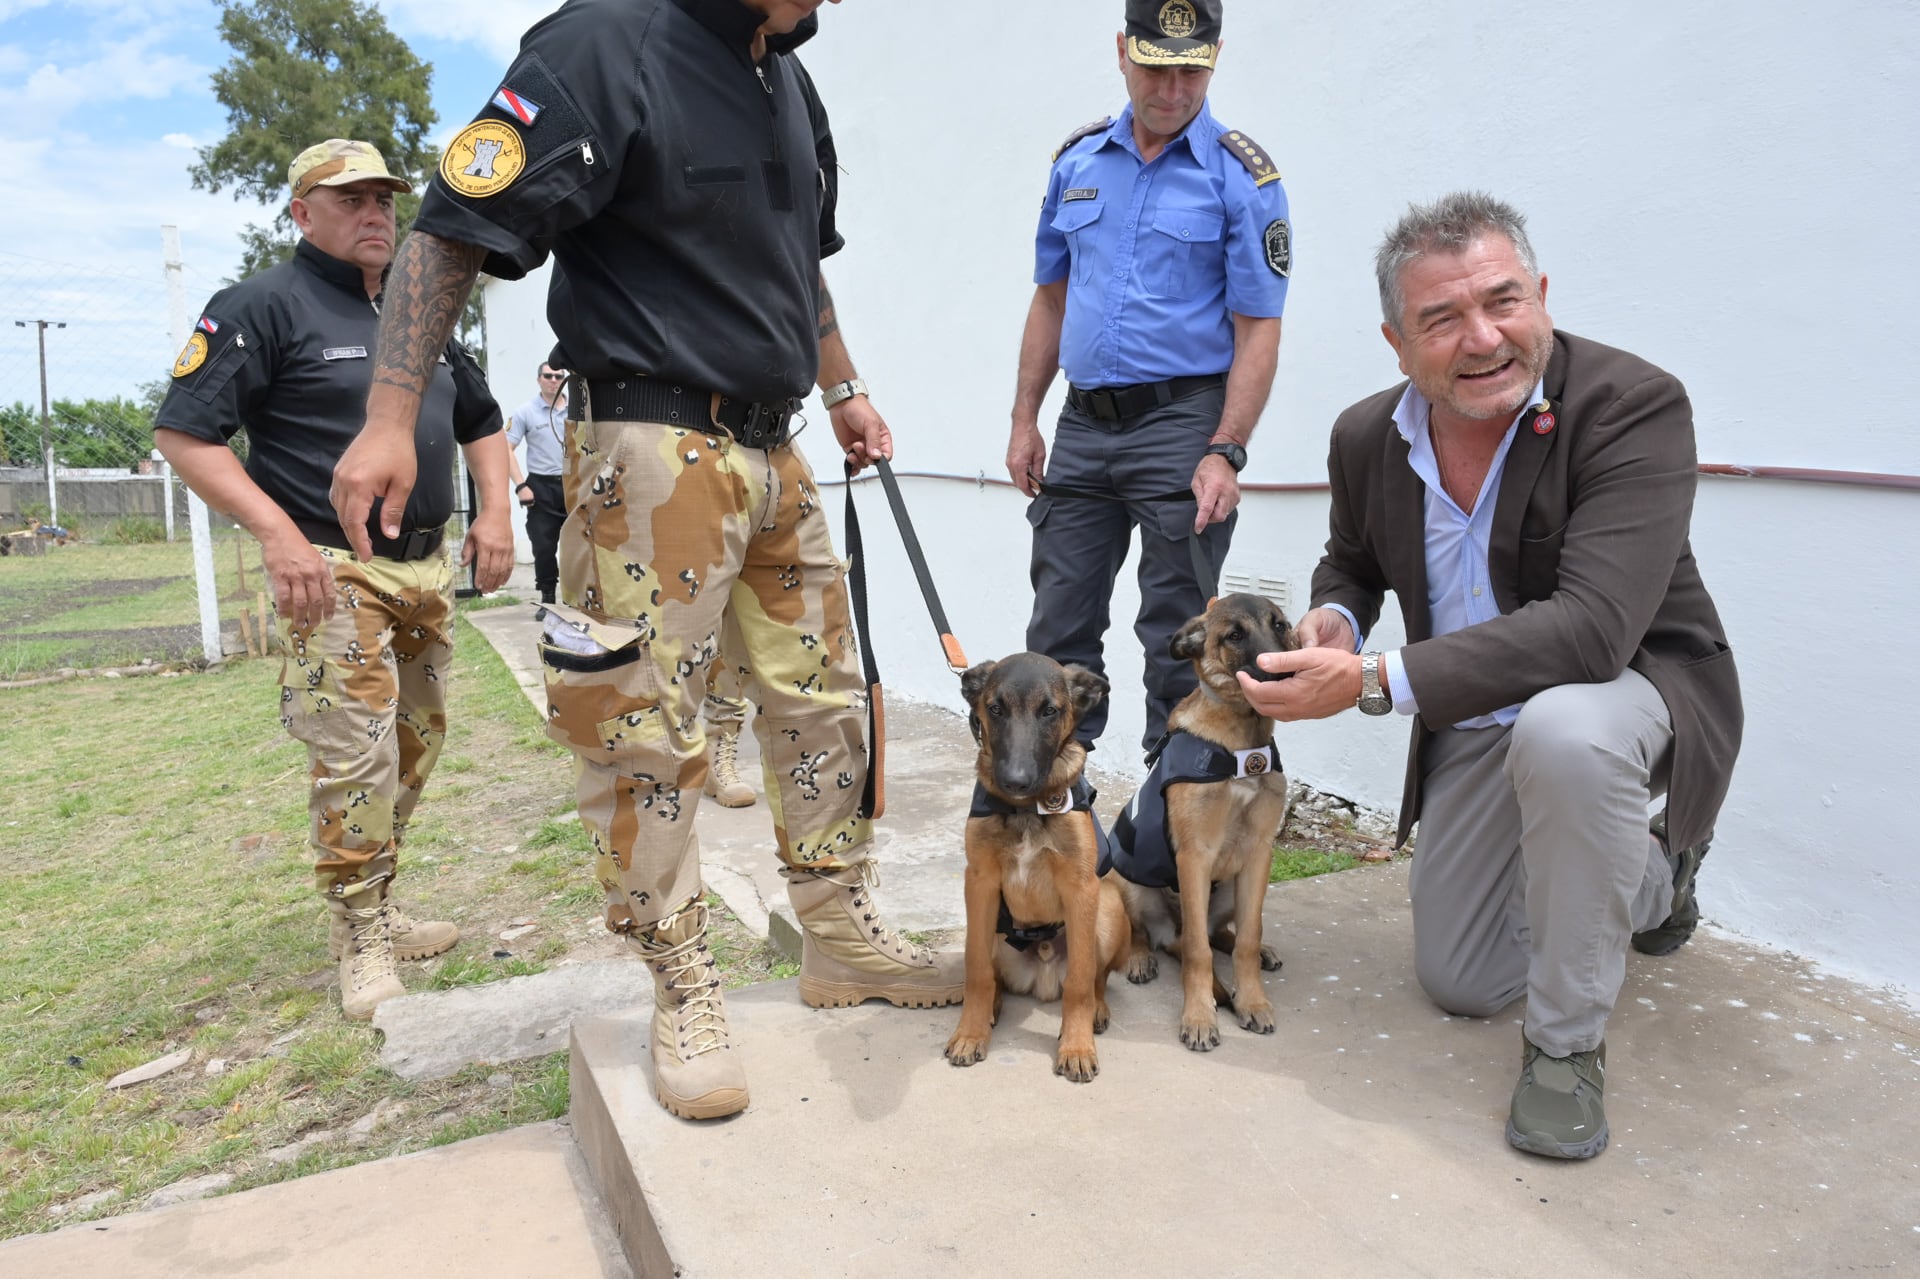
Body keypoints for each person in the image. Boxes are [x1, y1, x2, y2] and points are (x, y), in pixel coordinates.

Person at [326, 0, 962, 1121]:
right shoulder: (603, 45)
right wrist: (389, 416)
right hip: (649, 445)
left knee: (821, 704)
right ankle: (682, 978)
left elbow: (796, 260)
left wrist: (848, 386)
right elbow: (450, 226)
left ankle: (838, 936)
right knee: (642, 726)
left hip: (780, 444)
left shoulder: (783, 78)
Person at [1240, 192, 1743, 1160]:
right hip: (1474, 717)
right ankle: (1645, 882)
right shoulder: (1364, 438)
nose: (1484, 337)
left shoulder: (1631, 407)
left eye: (1504, 301)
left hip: (1624, 693)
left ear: (1541, 294)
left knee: (1566, 735)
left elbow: (1595, 632)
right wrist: (1336, 619)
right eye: (1443, 319)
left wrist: (1372, 680)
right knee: (1462, 977)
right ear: (1397, 344)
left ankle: (1566, 1049)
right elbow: (1354, 559)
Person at [153, 139, 514, 1021]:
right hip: (334, 571)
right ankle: (359, 937)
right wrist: (278, 538)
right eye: (350, 199)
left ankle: (381, 903)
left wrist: (495, 509)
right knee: (355, 755)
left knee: (413, 748)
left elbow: (484, 420)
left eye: (385, 199)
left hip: (424, 567)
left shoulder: (415, 311)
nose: (375, 214)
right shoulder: (260, 307)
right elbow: (185, 435)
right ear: (301, 212)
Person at [1007, 0, 1289, 757]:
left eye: (1191, 71)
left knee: (1179, 634)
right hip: (1082, 425)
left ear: (1215, 57)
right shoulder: (1078, 162)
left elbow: (1258, 327)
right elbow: (1052, 297)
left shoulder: (1241, 178)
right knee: (1058, 629)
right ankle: (1063, 820)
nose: (1172, 90)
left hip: (1183, 424)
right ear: (1123, 53)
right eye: (1156, 69)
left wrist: (1225, 449)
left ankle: (1174, 823)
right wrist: (1024, 417)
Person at [505, 361, 568, 604]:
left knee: (582, 546)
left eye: (558, 376)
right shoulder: (525, 412)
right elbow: (506, 448)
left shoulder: (579, 410)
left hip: (574, 485)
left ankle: (584, 599)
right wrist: (521, 485)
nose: (553, 380)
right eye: (548, 375)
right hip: (541, 488)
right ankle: (548, 597)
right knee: (543, 546)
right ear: (538, 379)